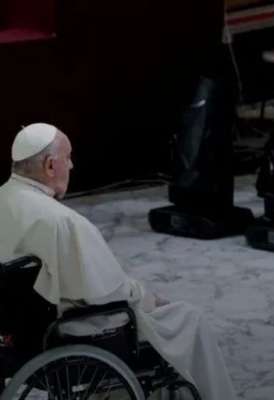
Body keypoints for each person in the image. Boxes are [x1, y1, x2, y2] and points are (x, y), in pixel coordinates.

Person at [0, 123, 238, 400]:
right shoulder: (61, 221)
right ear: (50, 165)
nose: (72, 165)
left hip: (18, 337)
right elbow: (108, 294)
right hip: (70, 331)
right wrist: (147, 298)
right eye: (68, 157)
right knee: (190, 318)